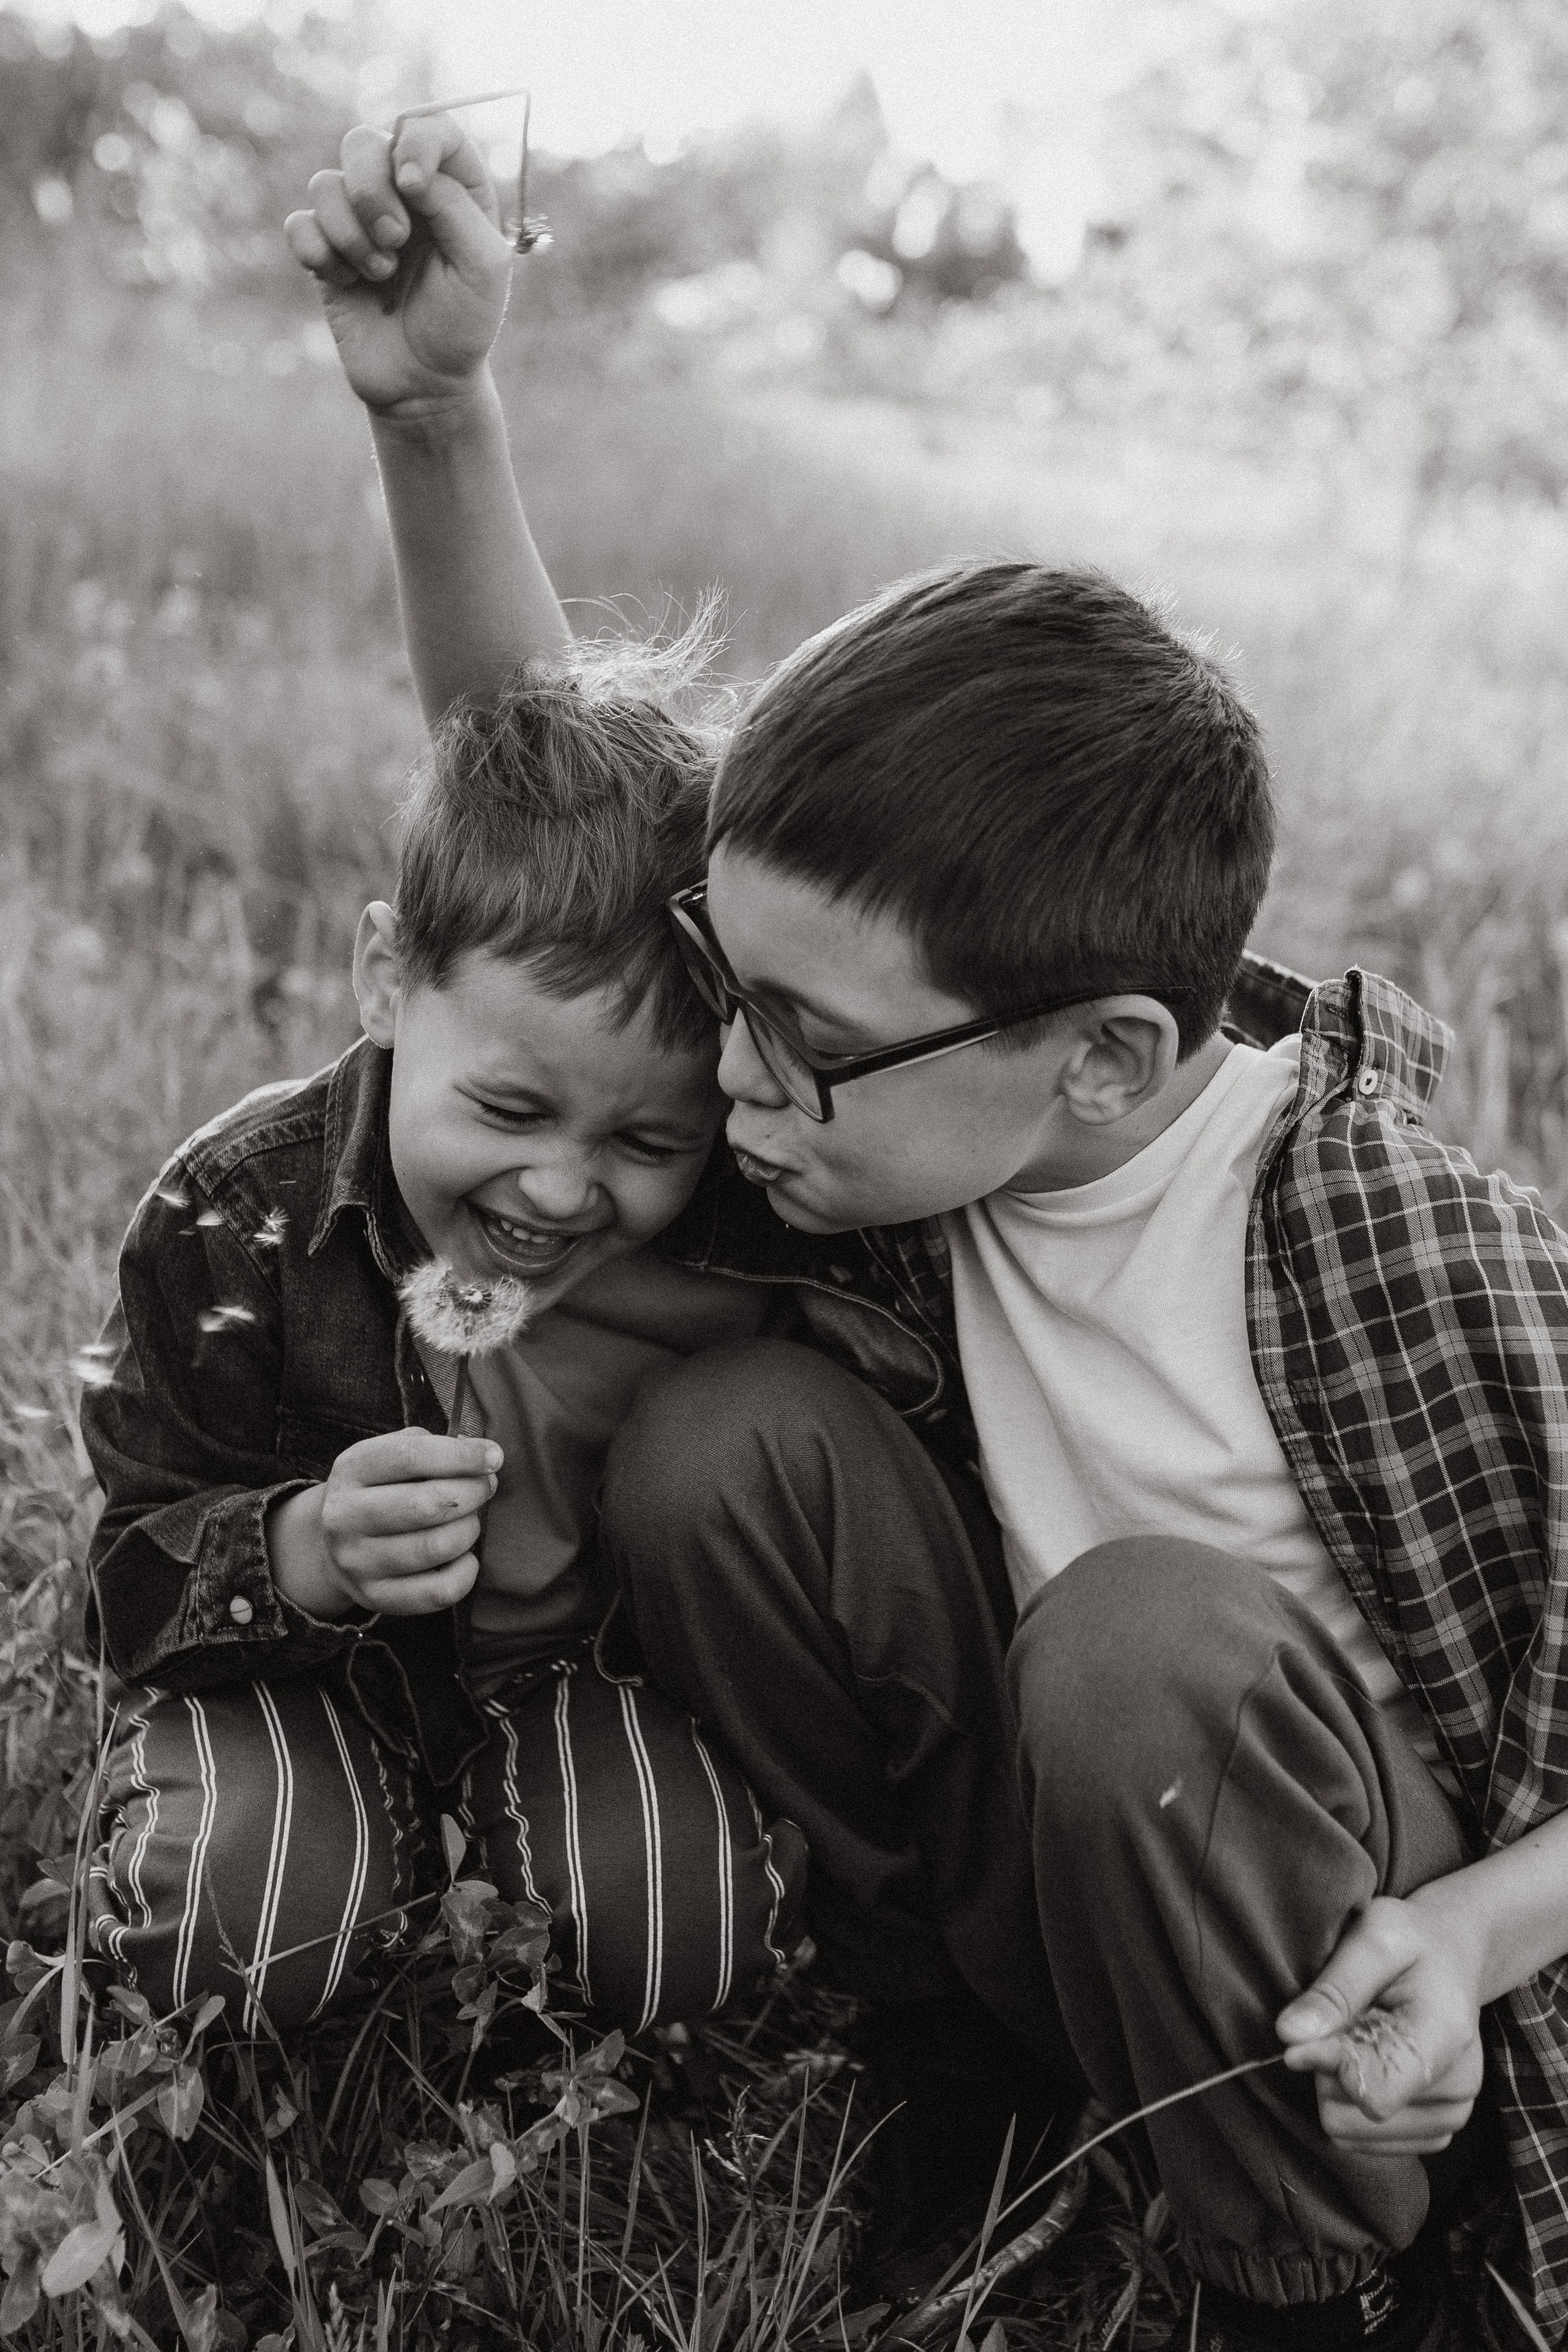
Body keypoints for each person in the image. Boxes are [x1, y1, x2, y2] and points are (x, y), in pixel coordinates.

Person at [290, 118, 1568, 2349]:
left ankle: (1279, 2268)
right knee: (729, 1448)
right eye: (729, 983)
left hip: (1354, 1988)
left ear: (1100, 1059)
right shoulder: (890, 1103)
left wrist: (1479, 1939)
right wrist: (433, 409)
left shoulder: (1393, 1243)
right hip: (1041, 1863)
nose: (731, 1079)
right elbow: (542, 823)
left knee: (1145, 1639)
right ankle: (961, 2069)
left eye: (797, 1043)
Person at [81, 647, 812, 2038]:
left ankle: (508, 1852)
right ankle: (301, 1844)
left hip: (570, 1671)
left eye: (646, 1140)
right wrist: (305, 1551)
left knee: (679, 1950)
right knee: (238, 1941)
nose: (559, 1189)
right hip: (299, 1668)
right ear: (385, 978)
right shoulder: (237, 1214)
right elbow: (129, 1574)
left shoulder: (741, 1229)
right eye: (510, 1111)